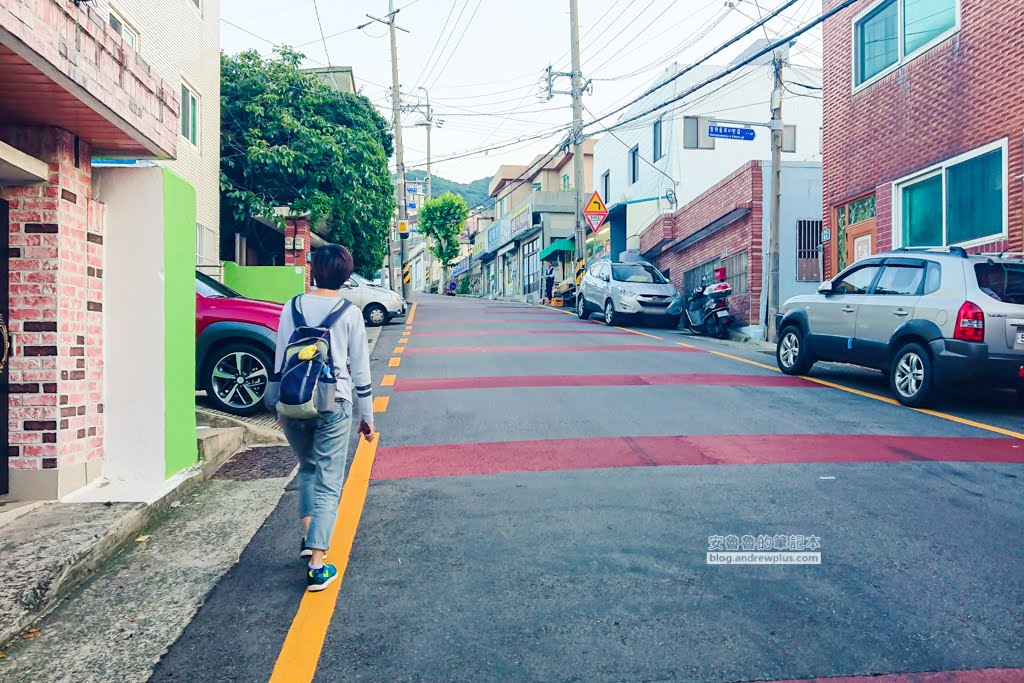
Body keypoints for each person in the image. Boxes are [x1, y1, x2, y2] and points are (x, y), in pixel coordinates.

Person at [274, 245, 376, 592]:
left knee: (307, 469)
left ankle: (308, 539)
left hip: (294, 401)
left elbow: (279, 360)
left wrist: (278, 405)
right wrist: (368, 417)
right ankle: (318, 565)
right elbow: (360, 369)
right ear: (346, 275)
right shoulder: (349, 312)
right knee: (330, 481)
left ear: (314, 269)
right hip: (335, 402)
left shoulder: (292, 306)